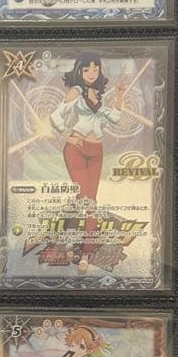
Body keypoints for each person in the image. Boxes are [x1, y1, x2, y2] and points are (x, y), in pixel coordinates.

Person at [49, 54, 123, 275]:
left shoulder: (100, 95)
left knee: (90, 202)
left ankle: (79, 249)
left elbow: (115, 118)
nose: (91, 74)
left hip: (97, 151)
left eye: (95, 69)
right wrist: (66, 134)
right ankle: (78, 250)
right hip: (77, 149)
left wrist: (120, 96)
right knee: (87, 202)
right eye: (87, 70)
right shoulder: (76, 91)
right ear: (79, 72)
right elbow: (55, 116)